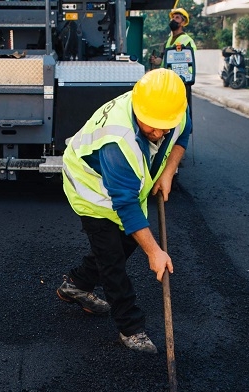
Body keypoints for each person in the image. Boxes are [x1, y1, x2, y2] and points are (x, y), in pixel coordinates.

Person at [57, 69, 191, 354]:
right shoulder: (117, 143)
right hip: (91, 188)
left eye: (165, 126)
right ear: (139, 110)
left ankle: (77, 285)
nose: (159, 133)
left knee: (127, 242)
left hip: (127, 189)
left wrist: (168, 171)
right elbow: (126, 206)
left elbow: (184, 131)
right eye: (153, 126)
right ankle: (130, 328)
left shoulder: (169, 108)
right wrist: (155, 252)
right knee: (112, 259)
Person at [151, 8, 197, 115]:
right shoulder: (168, 41)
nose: (173, 20)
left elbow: (190, 62)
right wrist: (155, 61)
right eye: (172, 18)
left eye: (177, 18)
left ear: (183, 23)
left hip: (182, 82)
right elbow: (162, 59)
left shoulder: (187, 40)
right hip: (168, 81)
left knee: (182, 110)